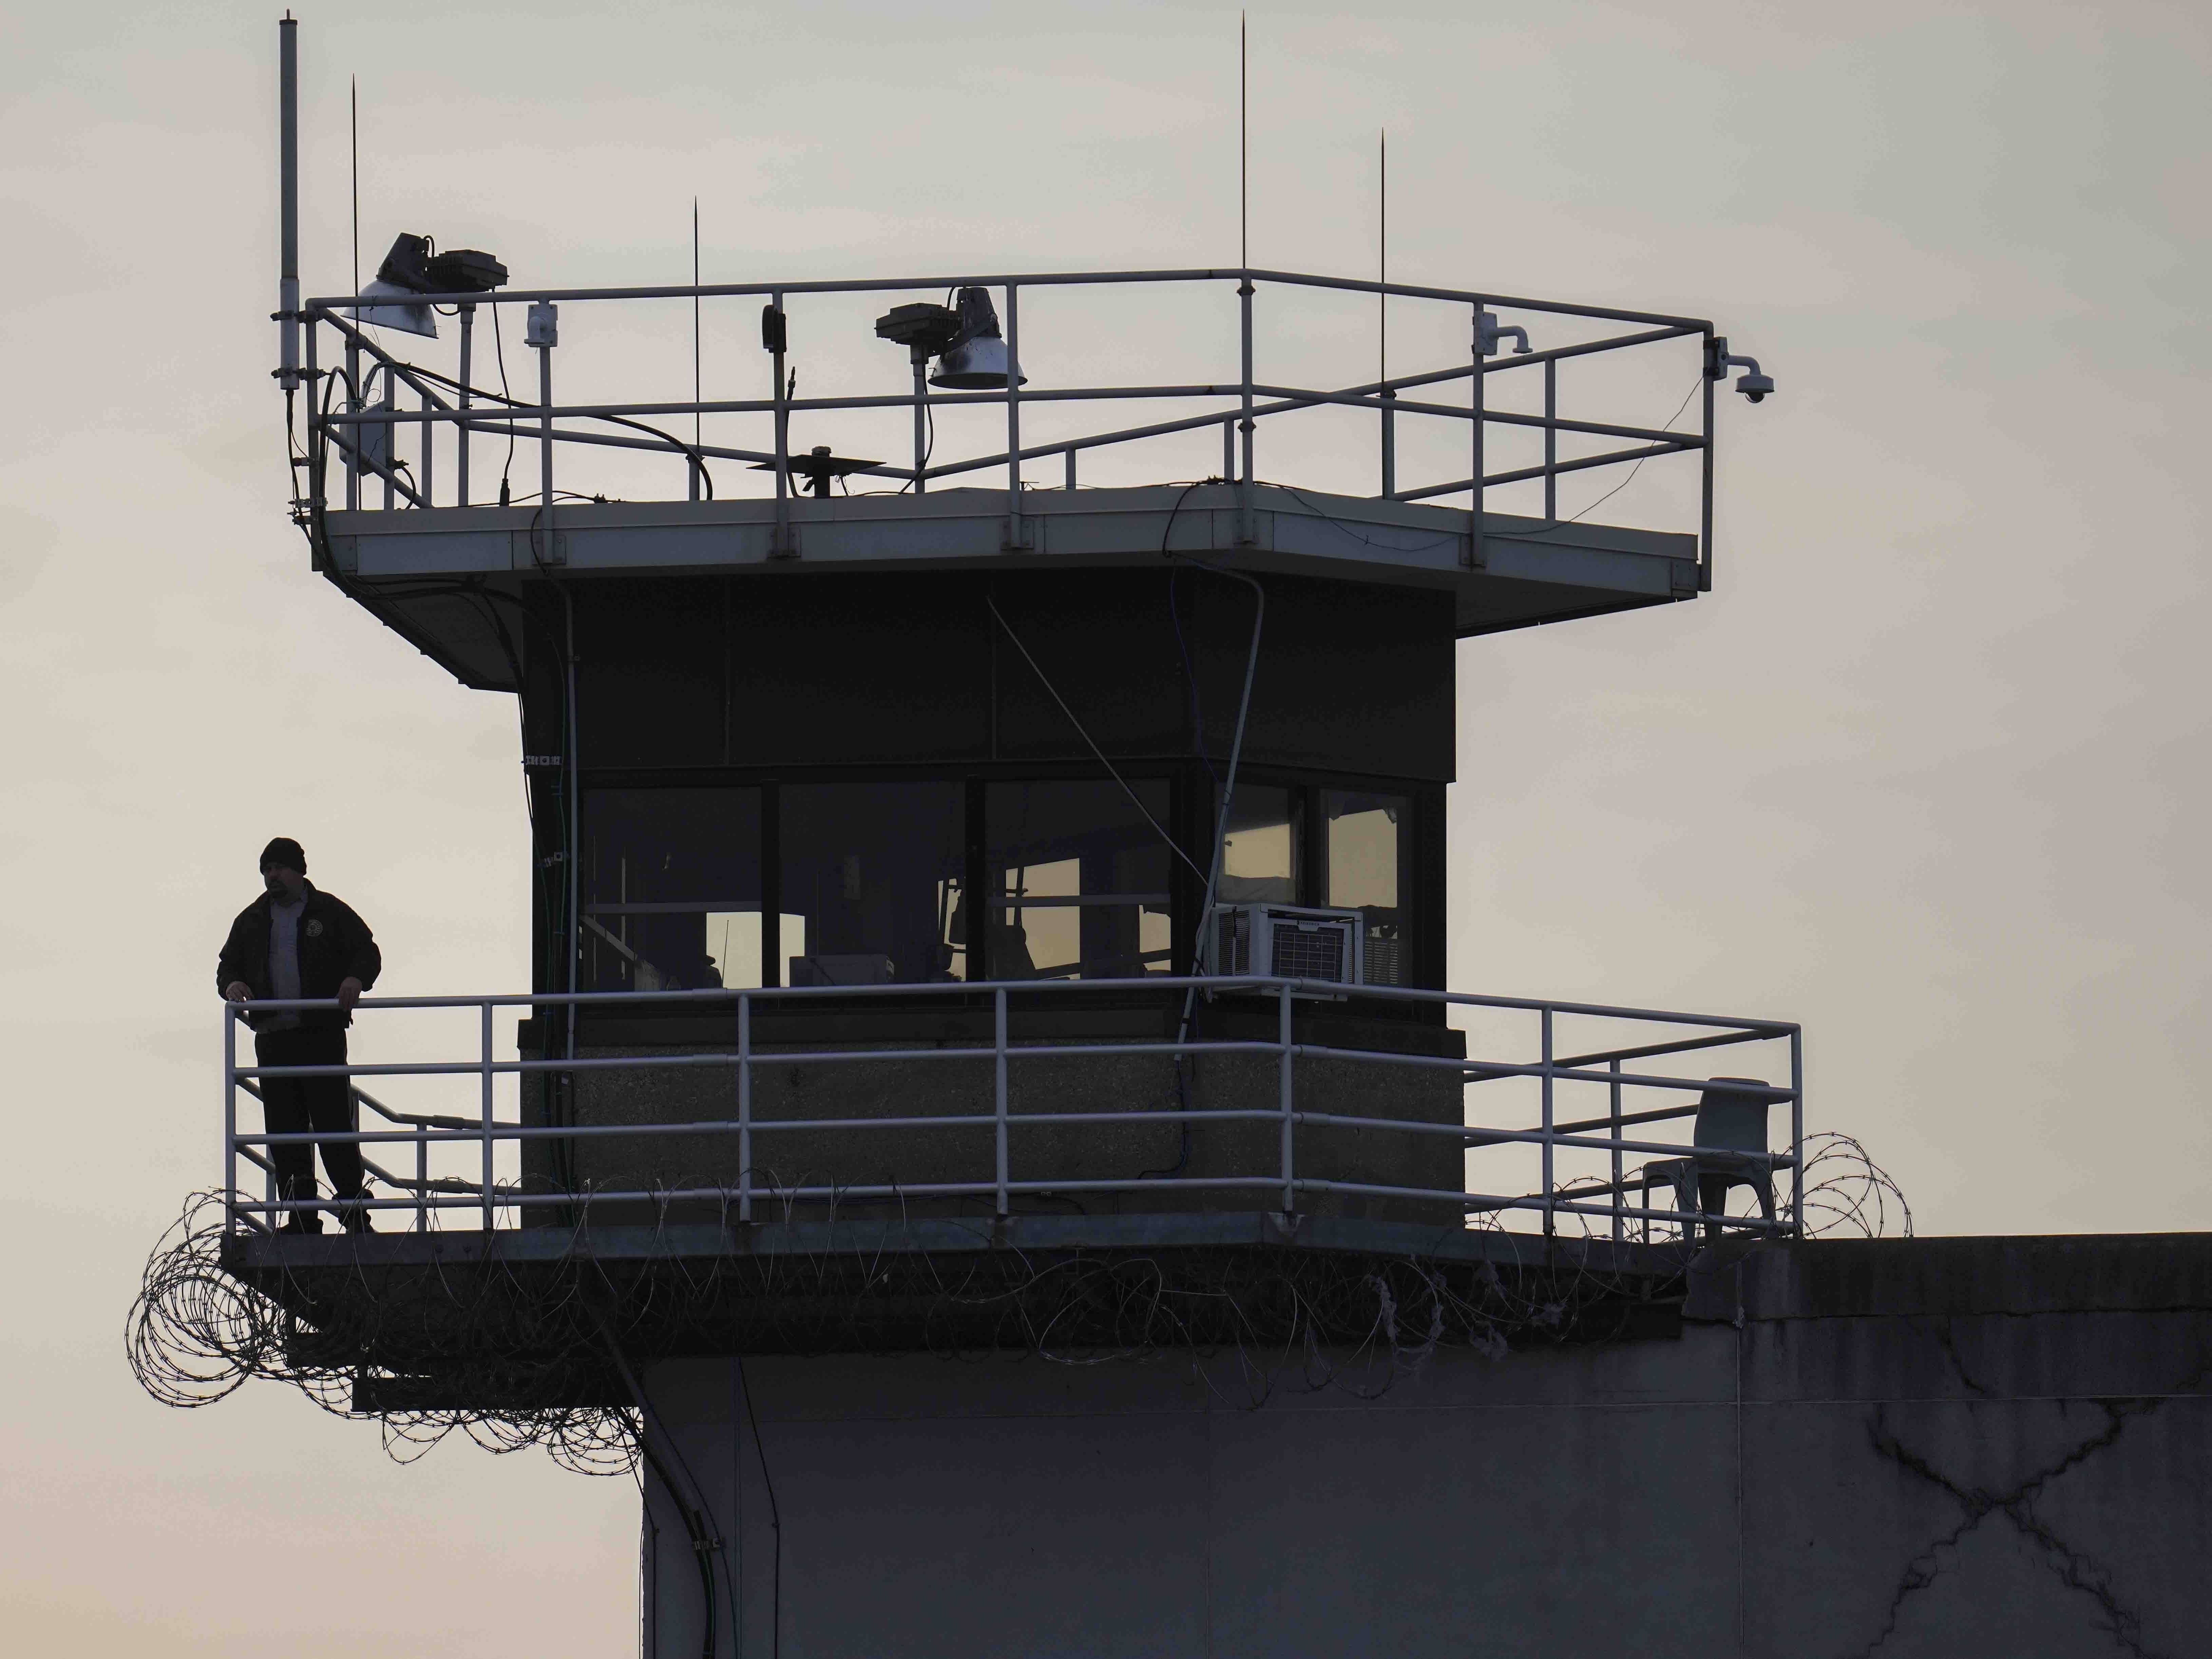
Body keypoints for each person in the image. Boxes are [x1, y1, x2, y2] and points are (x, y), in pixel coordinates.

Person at [216, 838, 383, 1234]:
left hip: (320, 1034)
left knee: (333, 1127)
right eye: (266, 869)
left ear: (299, 870)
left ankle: (355, 1214)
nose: (272, 876)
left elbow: (368, 952)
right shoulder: (252, 919)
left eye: (279, 867)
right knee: (285, 1133)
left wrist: (355, 979)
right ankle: (302, 1218)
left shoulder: (329, 911)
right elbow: (227, 966)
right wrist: (233, 984)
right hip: (274, 1037)